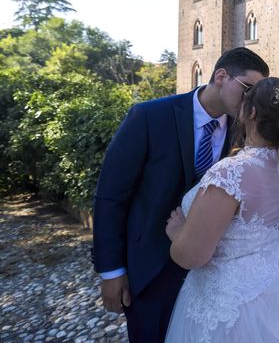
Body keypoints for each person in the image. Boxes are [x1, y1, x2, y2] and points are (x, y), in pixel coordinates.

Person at [92, 47, 269, 342]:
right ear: (221, 77)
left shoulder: (245, 132)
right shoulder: (149, 116)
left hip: (210, 276)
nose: (252, 101)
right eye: (248, 89)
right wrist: (111, 271)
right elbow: (111, 196)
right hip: (150, 271)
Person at [164, 77, 279, 341]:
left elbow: (191, 257)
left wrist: (177, 231)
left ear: (251, 112)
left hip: (231, 306)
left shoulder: (230, 172)